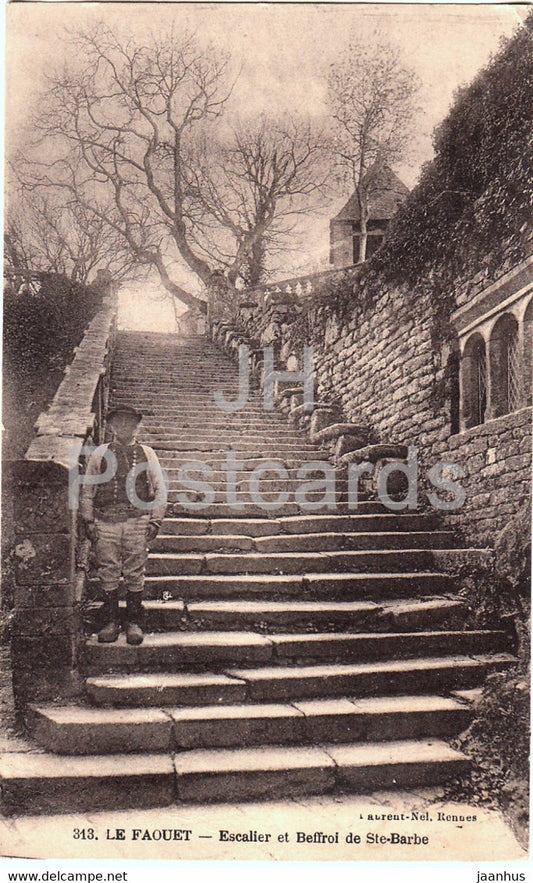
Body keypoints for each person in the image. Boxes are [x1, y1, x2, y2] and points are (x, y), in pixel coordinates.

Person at [80, 404, 167, 645]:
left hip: (137, 519)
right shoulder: (99, 453)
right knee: (107, 568)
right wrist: (88, 520)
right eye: (119, 422)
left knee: (134, 569)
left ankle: (133, 622)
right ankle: (110, 621)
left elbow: (160, 488)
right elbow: (88, 490)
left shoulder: (147, 453)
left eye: (129, 422)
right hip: (105, 520)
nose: (124, 427)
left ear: (136, 425)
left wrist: (156, 520)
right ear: (111, 426)